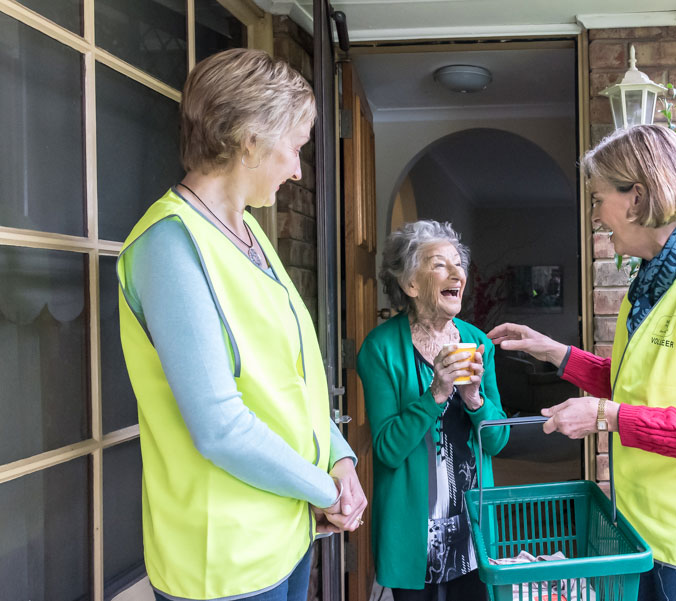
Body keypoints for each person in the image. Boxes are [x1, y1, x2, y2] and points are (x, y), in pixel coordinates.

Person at [488, 125, 676, 601]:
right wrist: (553, 351)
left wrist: (605, 417)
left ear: (637, 198)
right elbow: (641, 383)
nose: (593, 217)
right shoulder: (656, 281)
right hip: (652, 536)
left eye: (597, 199)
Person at [116, 48, 366, 601]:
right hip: (223, 559)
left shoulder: (250, 235)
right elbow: (220, 425)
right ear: (250, 140)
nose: (299, 169)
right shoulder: (170, 245)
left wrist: (340, 456)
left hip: (285, 530)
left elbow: (291, 378)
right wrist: (324, 488)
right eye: (295, 147)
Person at [357, 220, 509, 601]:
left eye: (459, 264)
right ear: (410, 284)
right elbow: (388, 450)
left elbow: (496, 439)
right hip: (413, 531)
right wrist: (437, 393)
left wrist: (475, 399)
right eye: (440, 264)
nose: (457, 272)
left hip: (473, 528)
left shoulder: (476, 343)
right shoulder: (380, 349)